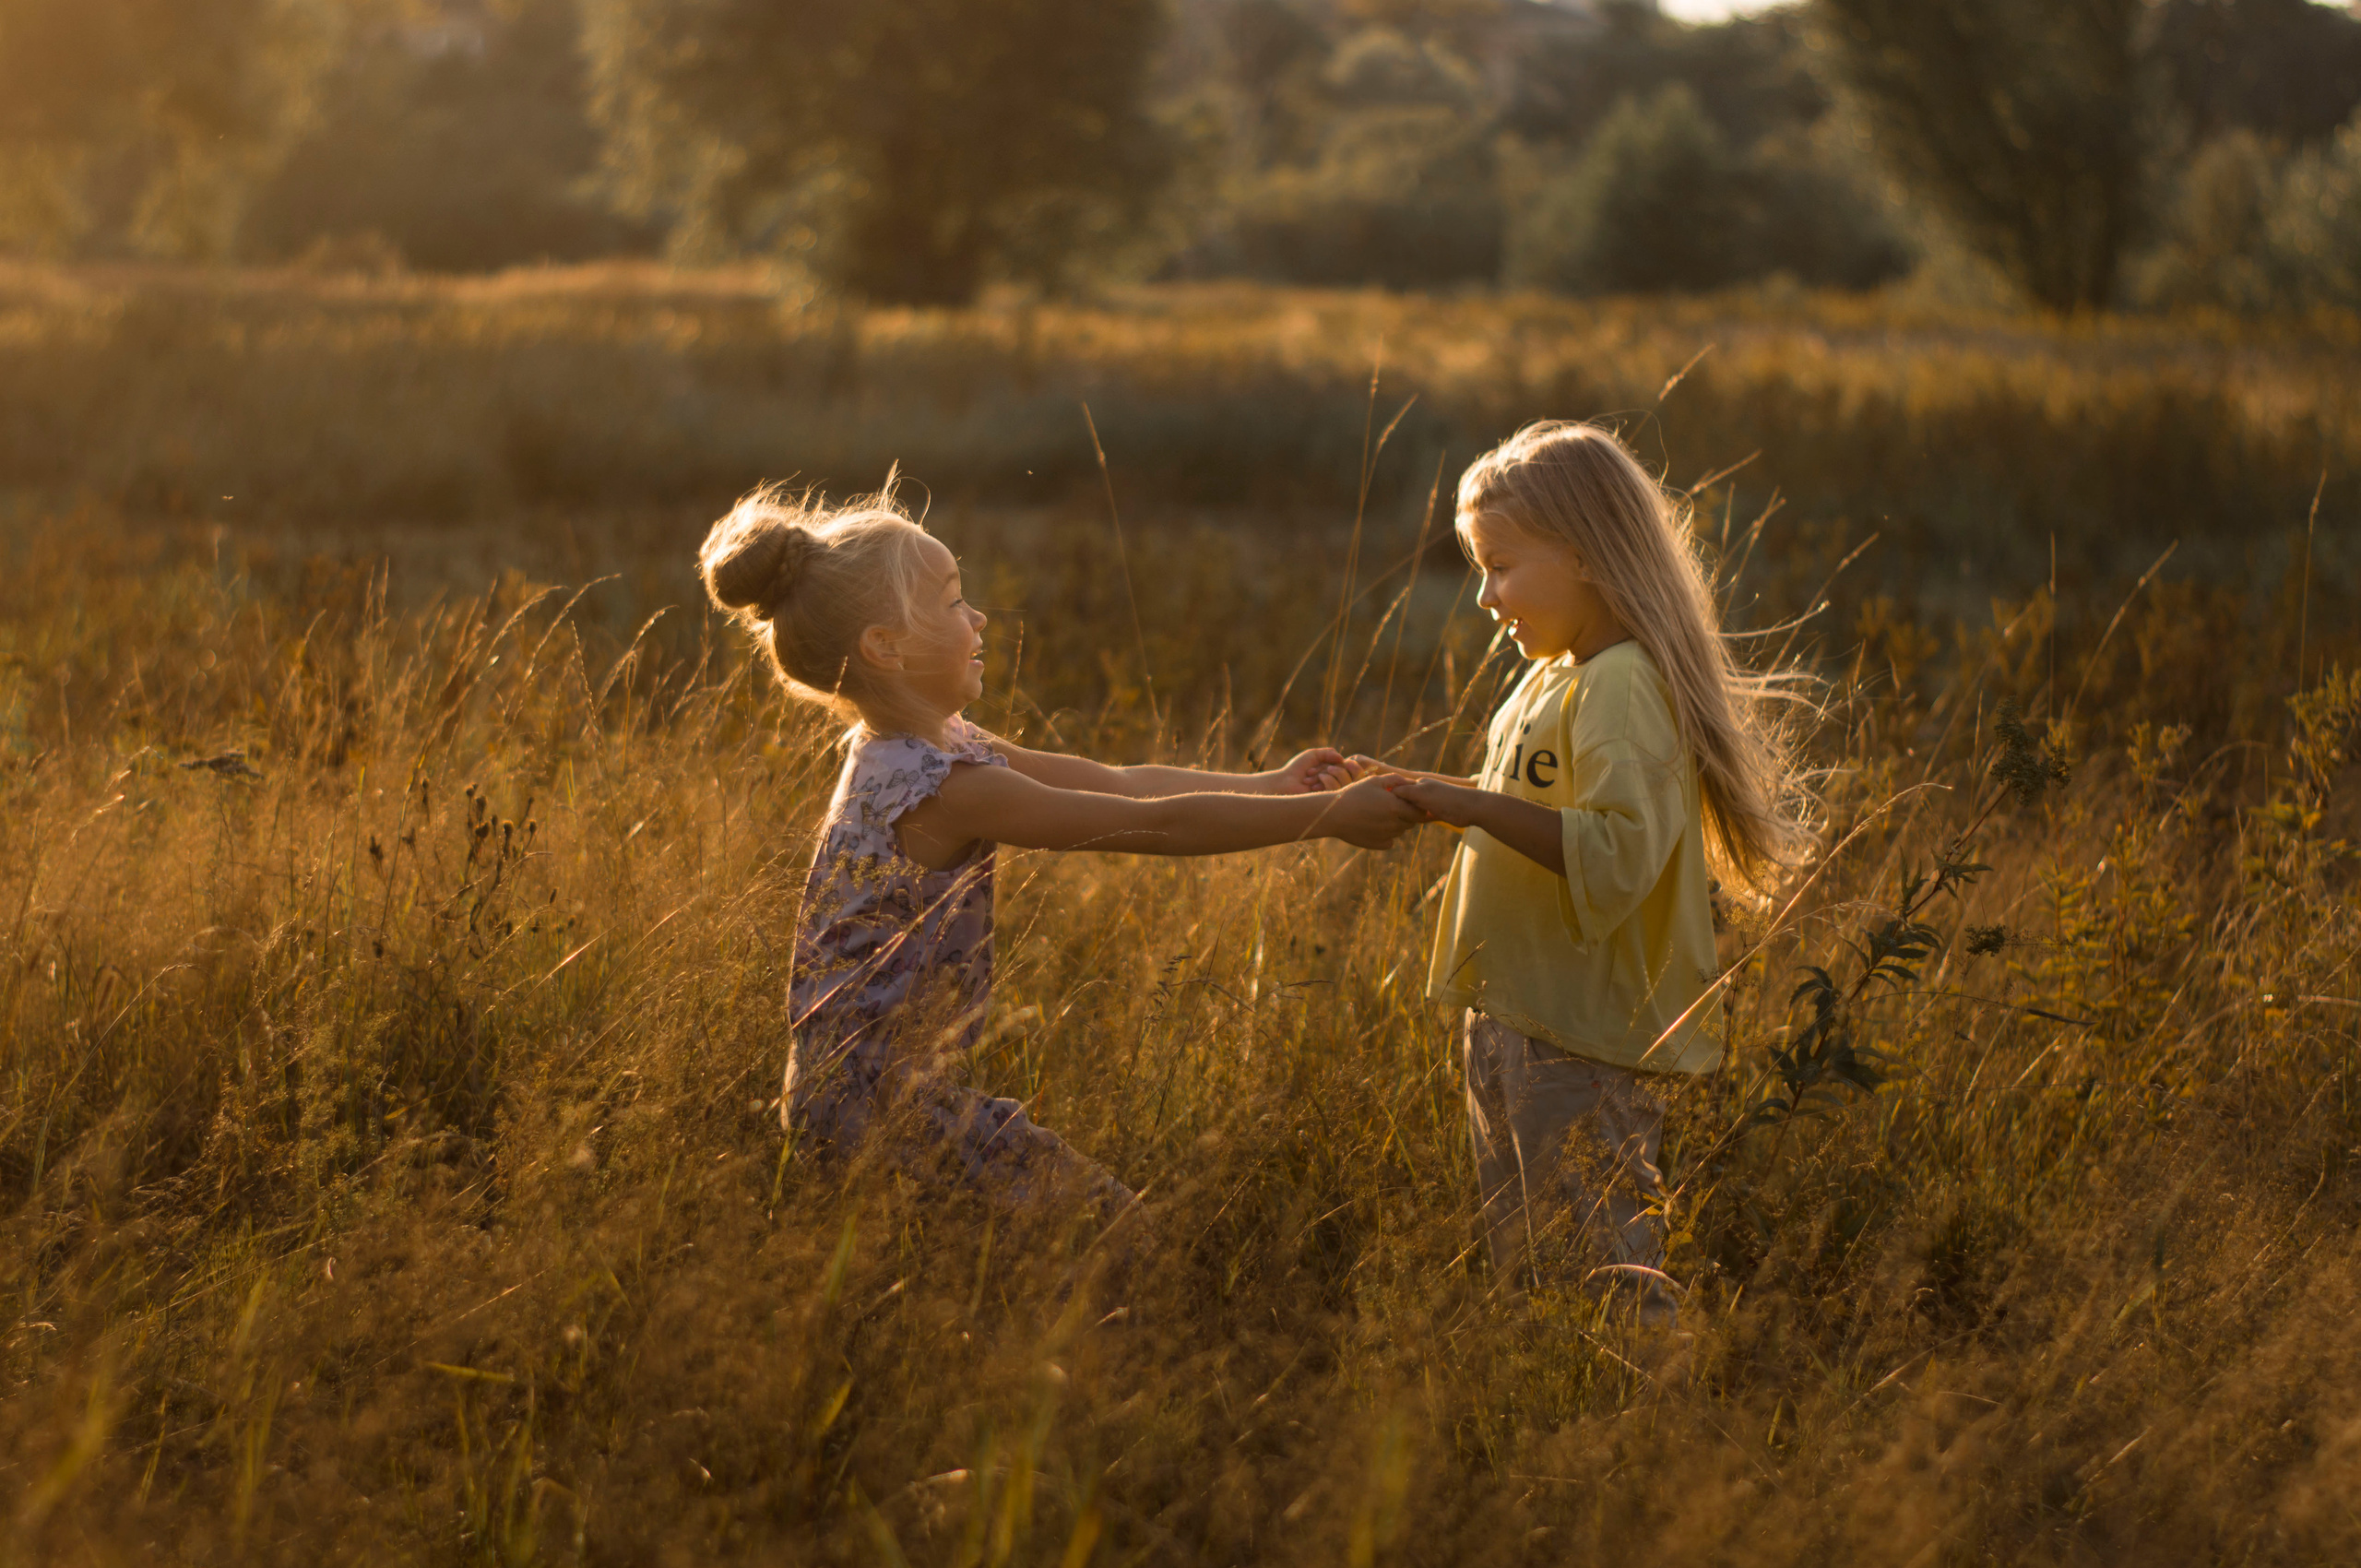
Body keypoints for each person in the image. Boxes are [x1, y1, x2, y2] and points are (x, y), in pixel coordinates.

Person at [697, 481, 1421, 1229]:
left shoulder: (934, 744)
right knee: (1116, 1236)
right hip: (877, 1105)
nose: (977, 617)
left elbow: (1117, 781)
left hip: (852, 1092)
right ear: (885, 645)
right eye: (951, 603)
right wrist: (1325, 816)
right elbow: (1154, 826)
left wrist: (1273, 785)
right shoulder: (946, 786)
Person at [1347, 422, 1804, 1323]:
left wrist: (1467, 805)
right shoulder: (1553, 677)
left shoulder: (1623, 682)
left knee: (1607, 1276)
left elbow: (1616, 851)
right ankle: (1560, 1440)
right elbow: (1540, 813)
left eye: (1502, 566)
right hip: (1517, 1019)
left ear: (1588, 555)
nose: (1485, 596)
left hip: (1581, 1037)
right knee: (1530, 1273)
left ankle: (1652, 1434)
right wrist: (1454, 835)